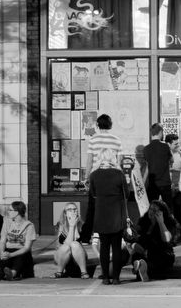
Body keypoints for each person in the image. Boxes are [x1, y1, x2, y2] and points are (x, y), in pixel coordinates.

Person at [89, 148, 129, 285]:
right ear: (113, 158)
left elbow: (93, 194)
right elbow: (126, 194)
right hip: (116, 214)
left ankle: (105, 277)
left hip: (101, 214)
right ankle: (116, 278)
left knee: (104, 247)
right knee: (116, 247)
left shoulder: (94, 175)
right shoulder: (119, 174)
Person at [81, 114, 123, 243]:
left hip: (96, 177)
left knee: (92, 208)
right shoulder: (116, 140)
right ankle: (110, 235)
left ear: (98, 125)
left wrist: (87, 177)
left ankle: (85, 237)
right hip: (112, 178)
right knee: (111, 208)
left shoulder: (93, 140)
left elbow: (89, 161)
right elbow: (119, 161)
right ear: (110, 125)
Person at [0, 201, 37, 281]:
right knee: (5, 256)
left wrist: (11, 255)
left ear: (17, 212)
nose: (8, 212)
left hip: (22, 251)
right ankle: (0, 272)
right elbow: (2, 240)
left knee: (20, 257)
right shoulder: (7, 222)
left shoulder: (29, 226)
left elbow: (27, 247)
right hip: (9, 250)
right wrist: (2, 253)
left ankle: (12, 274)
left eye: (10, 210)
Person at [135, 200, 176, 279]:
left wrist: (161, 222)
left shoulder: (168, 222)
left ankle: (141, 269)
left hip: (162, 254)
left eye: (155, 210)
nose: (151, 211)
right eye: (150, 209)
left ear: (162, 212)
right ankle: (141, 268)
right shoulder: (143, 221)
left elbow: (167, 239)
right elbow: (137, 236)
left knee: (154, 257)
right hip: (145, 253)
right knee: (136, 253)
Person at [53, 203, 90, 279]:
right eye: (69, 210)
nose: (73, 211)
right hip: (62, 256)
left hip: (78, 256)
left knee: (75, 244)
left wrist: (75, 225)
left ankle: (84, 272)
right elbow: (67, 243)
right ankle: (59, 271)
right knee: (66, 247)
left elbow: (78, 240)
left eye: (75, 209)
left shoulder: (83, 225)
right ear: (65, 213)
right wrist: (71, 226)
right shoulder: (60, 225)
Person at [166, 133, 181, 241]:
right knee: (174, 212)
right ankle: (176, 234)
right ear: (169, 144)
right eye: (175, 144)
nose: (178, 145)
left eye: (178, 143)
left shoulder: (180, 154)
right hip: (171, 186)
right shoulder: (165, 154)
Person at [144, 123, 174, 210]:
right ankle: (169, 223)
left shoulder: (146, 149)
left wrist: (142, 182)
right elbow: (172, 160)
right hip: (165, 183)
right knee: (168, 208)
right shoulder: (165, 146)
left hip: (152, 184)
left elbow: (147, 168)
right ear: (160, 132)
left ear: (151, 133)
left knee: (152, 209)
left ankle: (154, 223)